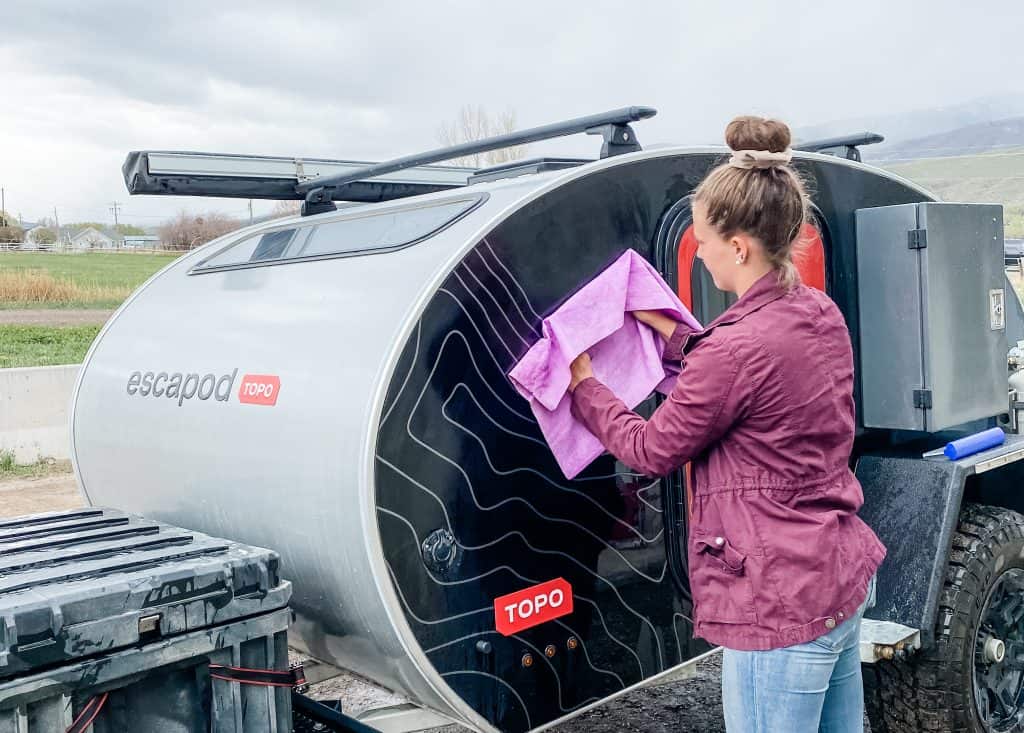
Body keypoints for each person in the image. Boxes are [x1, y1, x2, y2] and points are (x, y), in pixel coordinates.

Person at [567, 115, 885, 733]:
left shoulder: (734, 350)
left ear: (739, 246)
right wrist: (680, 334)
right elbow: (755, 381)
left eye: (705, 238)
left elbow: (651, 448)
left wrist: (585, 387)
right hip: (835, 578)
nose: (702, 249)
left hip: (778, 605)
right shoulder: (815, 311)